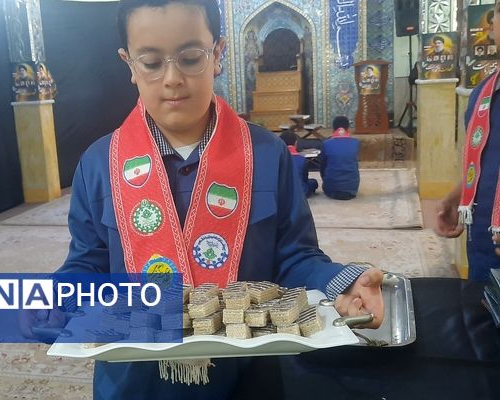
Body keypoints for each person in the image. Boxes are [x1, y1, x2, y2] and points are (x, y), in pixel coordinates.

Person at [20, 1, 384, 398]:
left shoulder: (265, 154)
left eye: (191, 57)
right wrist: (58, 295)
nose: (172, 78)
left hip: (246, 377)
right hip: (133, 381)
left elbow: (295, 257)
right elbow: (88, 262)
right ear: (129, 64)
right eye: (152, 62)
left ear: (218, 55)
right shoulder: (98, 163)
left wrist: (339, 283)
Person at [436, 0, 500, 281]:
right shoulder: (482, 95)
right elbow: (487, 162)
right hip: (483, 251)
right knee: (479, 318)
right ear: (492, 25)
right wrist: (457, 196)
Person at [319, 116, 360, 200]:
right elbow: (355, 164)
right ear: (347, 128)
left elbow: (322, 166)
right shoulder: (355, 143)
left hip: (331, 190)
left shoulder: (326, 144)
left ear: (333, 128)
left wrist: (326, 180)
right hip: (352, 190)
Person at [279, 130, 318, 197]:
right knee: (313, 182)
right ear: (296, 143)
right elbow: (304, 178)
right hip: (301, 192)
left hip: (282, 193)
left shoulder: (277, 158)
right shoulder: (302, 159)